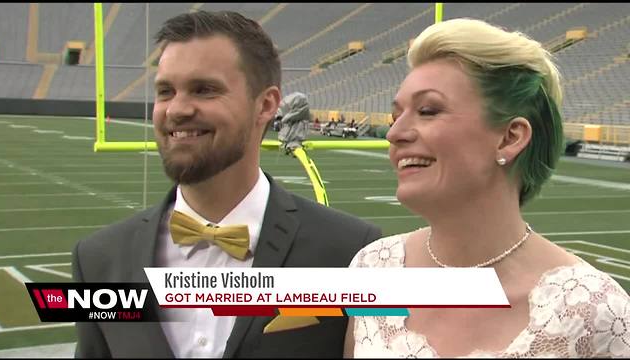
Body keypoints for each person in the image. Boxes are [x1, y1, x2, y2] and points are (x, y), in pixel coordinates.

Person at [72, 10, 381, 358]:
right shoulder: (100, 260)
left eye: (204, 90)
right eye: (165, 91)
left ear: (265, 105)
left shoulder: (351, 252)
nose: (177, 109)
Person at [344, 18, 630, 358]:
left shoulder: (595, 311)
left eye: (428, 110)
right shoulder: (372, 267)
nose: (395, 134)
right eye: (396, 117)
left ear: (510, 137)